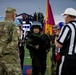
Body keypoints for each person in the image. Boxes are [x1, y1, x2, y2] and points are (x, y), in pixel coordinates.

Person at [0, 7, 22, 75]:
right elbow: (15, 42)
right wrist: (4, 50)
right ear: (13, 15)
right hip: (10, 59)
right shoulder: (14, 25)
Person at [55, 8, 76, 75]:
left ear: (67, 16)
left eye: (64, 16)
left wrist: (56, 38)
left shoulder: (67, 27)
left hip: (67, 58)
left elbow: (59, 45)